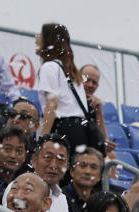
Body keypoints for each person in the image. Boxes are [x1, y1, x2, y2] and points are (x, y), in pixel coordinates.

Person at [35, 23, 100, 153]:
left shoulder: (49, 67)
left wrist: (43, 136)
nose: (37, 37)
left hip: (62, 128)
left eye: (41, 34)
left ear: (48, 40)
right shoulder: (72, 71)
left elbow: (52, 103)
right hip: (80, 131)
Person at [2, 134, 78, 212]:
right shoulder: (17, 190)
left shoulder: (61, 198)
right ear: (34, 160)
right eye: (48, 158)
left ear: (67, 166)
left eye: (60, 160)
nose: (53, 166)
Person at [64, 148, 104, 212]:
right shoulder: (60, 198)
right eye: (83, 165)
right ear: (72, 171)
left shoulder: (102, 200)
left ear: (99, 176)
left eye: (93, 167)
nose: (88, 171)